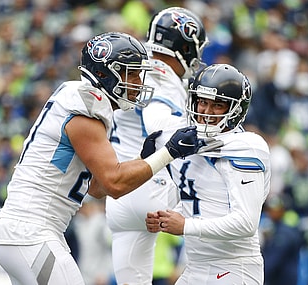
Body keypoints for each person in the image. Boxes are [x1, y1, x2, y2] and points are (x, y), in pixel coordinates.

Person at [0, 31, 204, 285]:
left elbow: (99, 187)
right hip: (31, 231)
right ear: (104, 73)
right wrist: (168, 152)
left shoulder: (84, 103)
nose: (138, 82)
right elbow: (115, 183)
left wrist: (144, 156)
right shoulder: (86, 109)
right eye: (130, 73)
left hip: (26, 230)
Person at [105, 7, 208, 284]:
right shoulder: (163, 76)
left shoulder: (134, 68)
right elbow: (158, 123)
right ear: (185, 46)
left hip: (118, 198)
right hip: (152, 191)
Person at [146, 63, 271, 284]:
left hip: (233, 267)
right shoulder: (188, 141)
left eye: (218, 105)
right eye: (203, 102)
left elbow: (246, 222)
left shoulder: (244, 146)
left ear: (236, 110)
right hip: (196, 265)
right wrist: (168, 216)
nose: (206, 111)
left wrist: (185, 226)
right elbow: (208, 202)